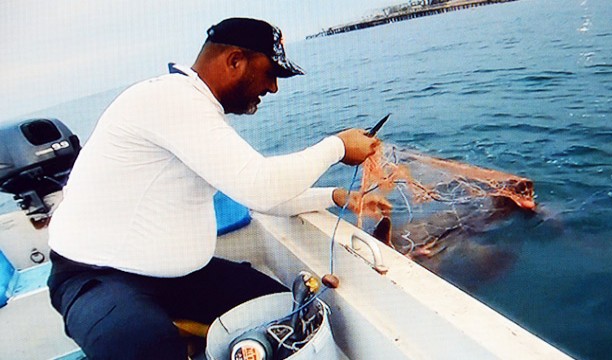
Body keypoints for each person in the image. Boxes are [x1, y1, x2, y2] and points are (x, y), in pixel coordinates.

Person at [47, 17, 390, 359]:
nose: (273, 88)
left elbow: (252, 192)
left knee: (289, 313)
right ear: (235, 61)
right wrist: (338, 147)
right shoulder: (171, 100)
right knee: (143, 345)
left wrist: (334, 196)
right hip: (96, 278)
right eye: (270, 73)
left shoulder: (198, 111)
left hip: (178, 278)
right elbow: (261, 186)